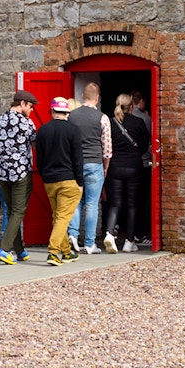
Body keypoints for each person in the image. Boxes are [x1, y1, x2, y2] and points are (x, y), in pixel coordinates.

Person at [0, 89, 38, 265]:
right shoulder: (27, 124)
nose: (31, 110)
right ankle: (4, 249)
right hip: (21, 172)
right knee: (18, 211)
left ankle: (20, 250)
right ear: (22, 104)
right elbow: (35, 143)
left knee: (11, 211)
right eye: (30, 107)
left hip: (2, 171)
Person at [35, 97, 84, 266]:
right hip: (69, 179)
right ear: (67, 113)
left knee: (58, 217)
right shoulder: (73, 130)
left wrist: (44, 174)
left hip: (50, 180)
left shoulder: (42, 130)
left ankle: (66, 252)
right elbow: (78, 159)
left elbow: (39, 159)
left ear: (52, 112)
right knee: (63, 218)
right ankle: (53, 252)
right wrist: (80, 181)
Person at [67, 82, 112, 254]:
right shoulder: (102, 117)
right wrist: (105, 167)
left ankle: (72, 234)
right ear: (97, 98)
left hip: (75, 163)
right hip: (95, 163)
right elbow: (107, 149)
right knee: (92, 204)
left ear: (82, 97)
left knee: (76, 201)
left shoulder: (72, 116)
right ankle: (89, 244)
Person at [103, 93, 150, 254]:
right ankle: (130, 241)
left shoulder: (109, 122)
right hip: (134, 167)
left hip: (115, 166)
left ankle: (109, 233)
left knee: (115, 203)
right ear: (131, 106)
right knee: (132, 204)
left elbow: (105, 144)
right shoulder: (138, 122)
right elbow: (144, 146)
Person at [129, 89, 153, 243]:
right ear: (142, 101)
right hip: (142, 163)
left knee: (126, 200)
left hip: (123, 164)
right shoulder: (144, 119)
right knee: (142, 200)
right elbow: (148, 142)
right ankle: (140, 233)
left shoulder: (120, 119)